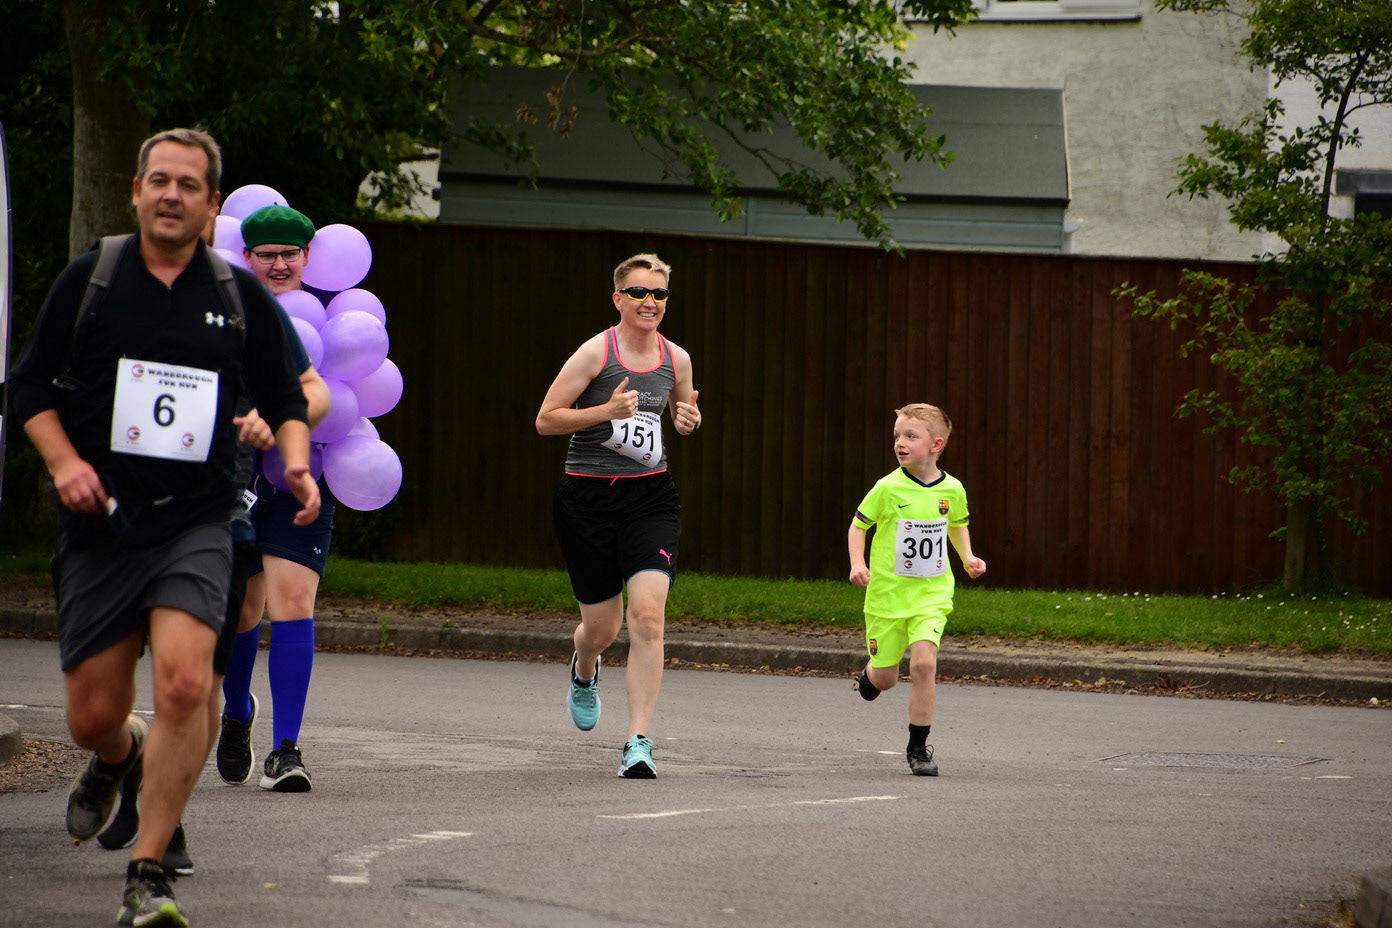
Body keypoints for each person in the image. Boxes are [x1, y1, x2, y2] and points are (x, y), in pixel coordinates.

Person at [8, 127, 318, 926]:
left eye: (189, 184)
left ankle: (149, 872)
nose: (172, 195)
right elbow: (29, 386)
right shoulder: (94, 279)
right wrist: (63, 464)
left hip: (200, 519)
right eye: (160, 181)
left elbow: (291, 395)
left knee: (186, 680)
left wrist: (294, 461)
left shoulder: (237, 294)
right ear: (137, 192)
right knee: (92, 716)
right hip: (103, 521)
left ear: (212, 205)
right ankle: (122, 752)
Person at [535, 253, 701, 778]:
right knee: (601, 629)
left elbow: (681, 415)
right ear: (618, 298)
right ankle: (585, 666)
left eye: (659, 293)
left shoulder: (677, 358)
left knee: (648, 617)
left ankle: (638, 741)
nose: (650, 302)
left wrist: (689, 421)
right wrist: (605, 411)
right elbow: (546, 420)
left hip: (650, 499)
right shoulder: (595, 353)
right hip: (586, 501)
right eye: (638, 292)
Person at [215, 204, 335, 793]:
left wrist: (284, 421)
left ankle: (286, 749)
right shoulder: (219, 310)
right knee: (242, 609)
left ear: (308, 257)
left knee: (293, 601)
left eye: (291, 254)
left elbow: (336, 395)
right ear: (247, 257)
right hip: (227, 475)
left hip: (301, 474)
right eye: (268, 255)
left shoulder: (328, 317)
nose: (281, 264)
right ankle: (236, 713)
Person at [847, 403, 985, 777]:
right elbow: (858, 526)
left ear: (936, 444)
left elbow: (956, 523)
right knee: (886, 678)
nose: (900, 443)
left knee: (924, 664)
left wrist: (968, 557)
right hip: (887, 598)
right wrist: (858, 563)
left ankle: (918, 749)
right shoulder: (887, 487)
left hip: (931, 595)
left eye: (910, 436)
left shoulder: (952, 489)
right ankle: (869, 676)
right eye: (897, 436)